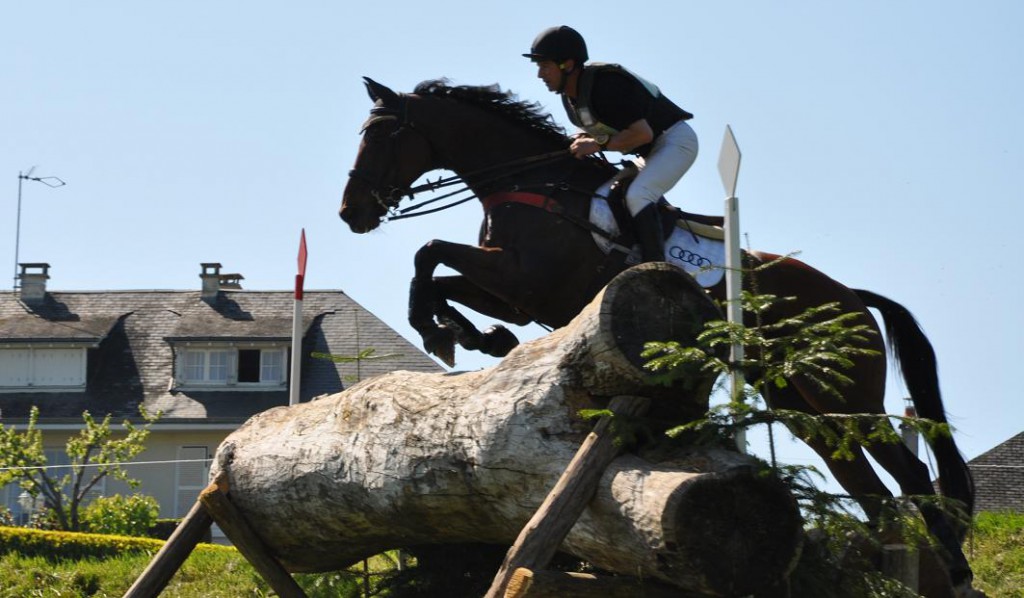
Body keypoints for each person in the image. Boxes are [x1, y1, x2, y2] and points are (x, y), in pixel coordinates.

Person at [523, 25, 698, 262]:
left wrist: (597, 146)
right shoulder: (572, 98)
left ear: (568, 64)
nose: (540, 75)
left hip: (675, 141)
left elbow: (642, 134)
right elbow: (597, 133)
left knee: (638, 194)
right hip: (649, 152)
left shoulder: (606, 85)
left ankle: (656, 268)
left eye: (545, 66)